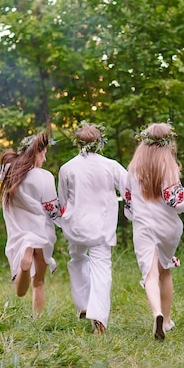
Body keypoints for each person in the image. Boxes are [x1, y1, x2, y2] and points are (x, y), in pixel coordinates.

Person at [124, 122, 184, 341]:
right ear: (168, 142)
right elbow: (174, 200)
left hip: (144, 225)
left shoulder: (133, 168)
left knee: (150, 273)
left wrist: (133, 216)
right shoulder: (169, 166)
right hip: (167, 227)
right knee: (165, 270)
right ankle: (166, 319)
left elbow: (128, 202)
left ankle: (156, 312)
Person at [57, 122, 127, 334]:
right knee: (101, 269)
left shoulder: (67, 168)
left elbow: (62, 200)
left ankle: (84, 304)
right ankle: (98, 317)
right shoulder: (111, 165)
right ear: (99, 143)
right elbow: (129, 188)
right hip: (101, 227)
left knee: (77, 259)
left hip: (75, 226)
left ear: (78, 144)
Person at [0, 131, 62, 316]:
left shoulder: (9, 170)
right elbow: (51, 208)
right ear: (36, 153)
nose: (45, 158)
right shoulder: (45, 176)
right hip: (42, 232)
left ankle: (26, 256)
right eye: (44, 153)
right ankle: (38, 321)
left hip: (20, 233)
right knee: (38, 282)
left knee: (19, 291)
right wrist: (66, 217)